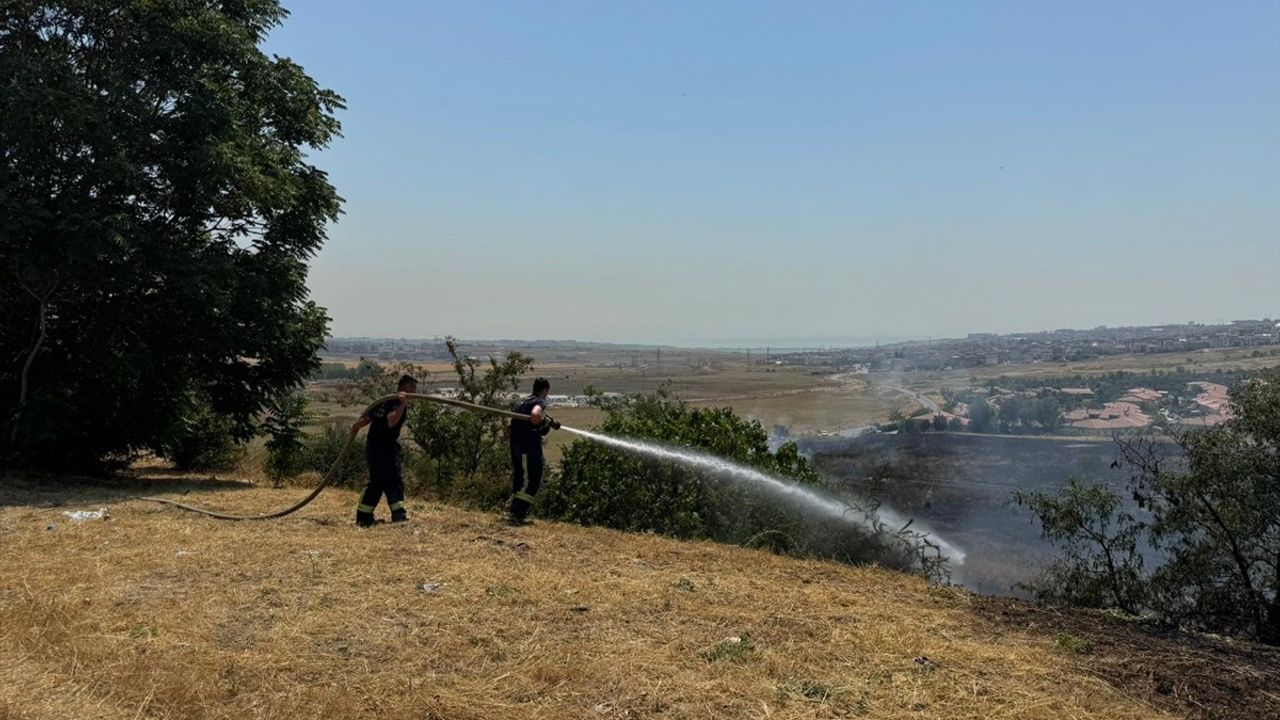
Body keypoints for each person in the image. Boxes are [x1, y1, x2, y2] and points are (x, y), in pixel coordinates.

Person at [352, 374, 417, 526]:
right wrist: (403, 405)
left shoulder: (384, 401)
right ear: (405, 387)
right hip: (384, 448)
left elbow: (366, 420)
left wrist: (356, 426)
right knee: (394, 481)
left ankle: (364, 517)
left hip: (373, 447)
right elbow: (391, 422)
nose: (415, 391)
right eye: (413, 387)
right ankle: (398, 517)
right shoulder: (395, 403)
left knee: (378, 482)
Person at [508, 377, 559, 525]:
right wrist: (544, 423)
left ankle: (513, 509)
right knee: (535, 479)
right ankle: (519, 511)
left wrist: (547, 422)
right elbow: (536, 416)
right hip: (530, 446)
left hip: (516, 444)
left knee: (518, 478)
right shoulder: (539, 402)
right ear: (545, 390)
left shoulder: (522, 402)